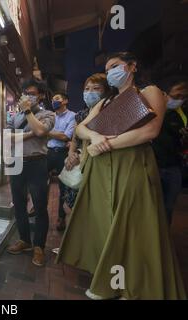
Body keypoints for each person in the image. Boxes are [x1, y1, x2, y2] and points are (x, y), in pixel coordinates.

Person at [56, 52, 186, 300]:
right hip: (103, 169)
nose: (111, 72)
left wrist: (107, 144)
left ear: (133, 66)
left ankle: (136, 284)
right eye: (108, 69)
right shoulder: (105, 103)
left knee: (135, 224)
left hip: (133, 165)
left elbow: (150, 131)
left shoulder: (150, 92)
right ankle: (114, 278)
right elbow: (81, 128)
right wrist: (94, 137)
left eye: (115, 66)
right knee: (107, 221)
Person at [5, 79, 55, 267]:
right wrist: (30, 134)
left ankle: (39, 247)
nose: (27, 96)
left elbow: (41, 130)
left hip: (37, 163)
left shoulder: (47, 114)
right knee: (19, 204)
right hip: (16, 163)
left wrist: (27, 112)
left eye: (32, 93)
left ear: (40, 95)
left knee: (40, 207)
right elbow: (7, 137)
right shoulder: (15, 116)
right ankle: (25, 240)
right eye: (25, 93)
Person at [63, 73, 111, 211]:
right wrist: (71, 153)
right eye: (87, 89)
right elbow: (74, 139)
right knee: (70, 207)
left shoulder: (109, 114)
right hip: (79, 165)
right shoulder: (81, 115)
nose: (90, 92)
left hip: (99, 166)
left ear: (106, 92)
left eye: (96, 88)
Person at [152, 78, 188, 224]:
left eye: (183, 96)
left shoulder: (182, 115)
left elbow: (181, 144)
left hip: (173, 168)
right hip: (153, 166)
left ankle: (164, 241)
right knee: (152, 207)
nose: (179, 99)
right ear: (166, 93)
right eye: (176, 94)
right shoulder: (154, 110)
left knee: (168, 208)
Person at [46, 93, 76, 231]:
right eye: (53, 99)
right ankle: (38, 208)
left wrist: (45, 130)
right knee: (40, 183)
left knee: (63, 187)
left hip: (62, 154)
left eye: (57, 99)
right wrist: (52, 133)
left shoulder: (72, 116)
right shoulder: (51, 116)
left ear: (66, 100)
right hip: (48, 152)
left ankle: (61, 217)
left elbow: (66, 136)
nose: (54, 101)